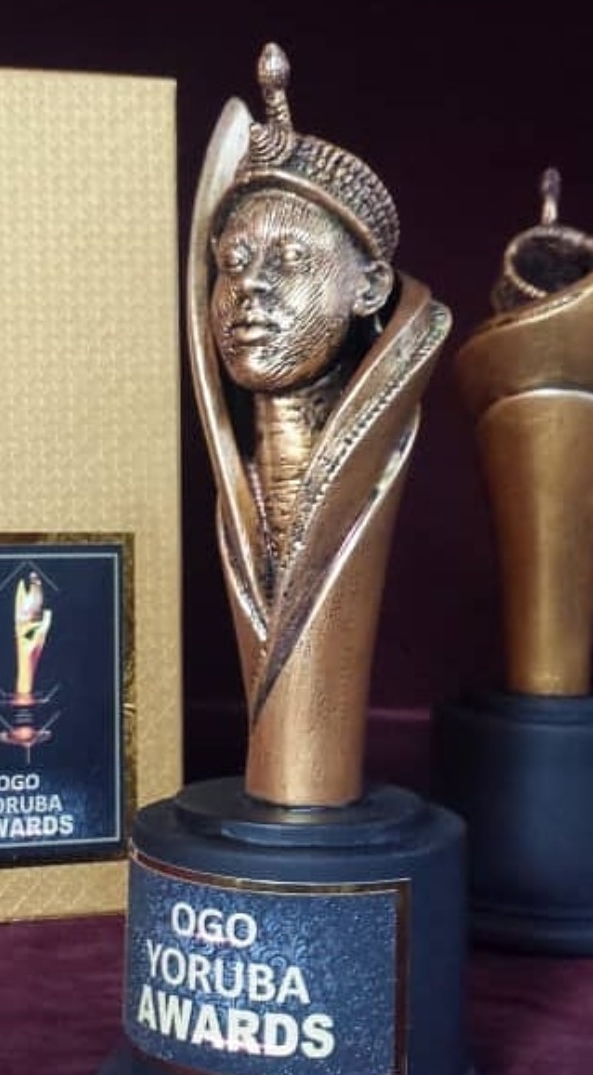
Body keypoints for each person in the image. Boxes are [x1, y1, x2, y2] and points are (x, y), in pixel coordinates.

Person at [189, 43, 450, 806]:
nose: (251, 288)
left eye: (292, 260)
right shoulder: (234, 481)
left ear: (369, 289)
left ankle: (308, 781)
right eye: (234, 261)